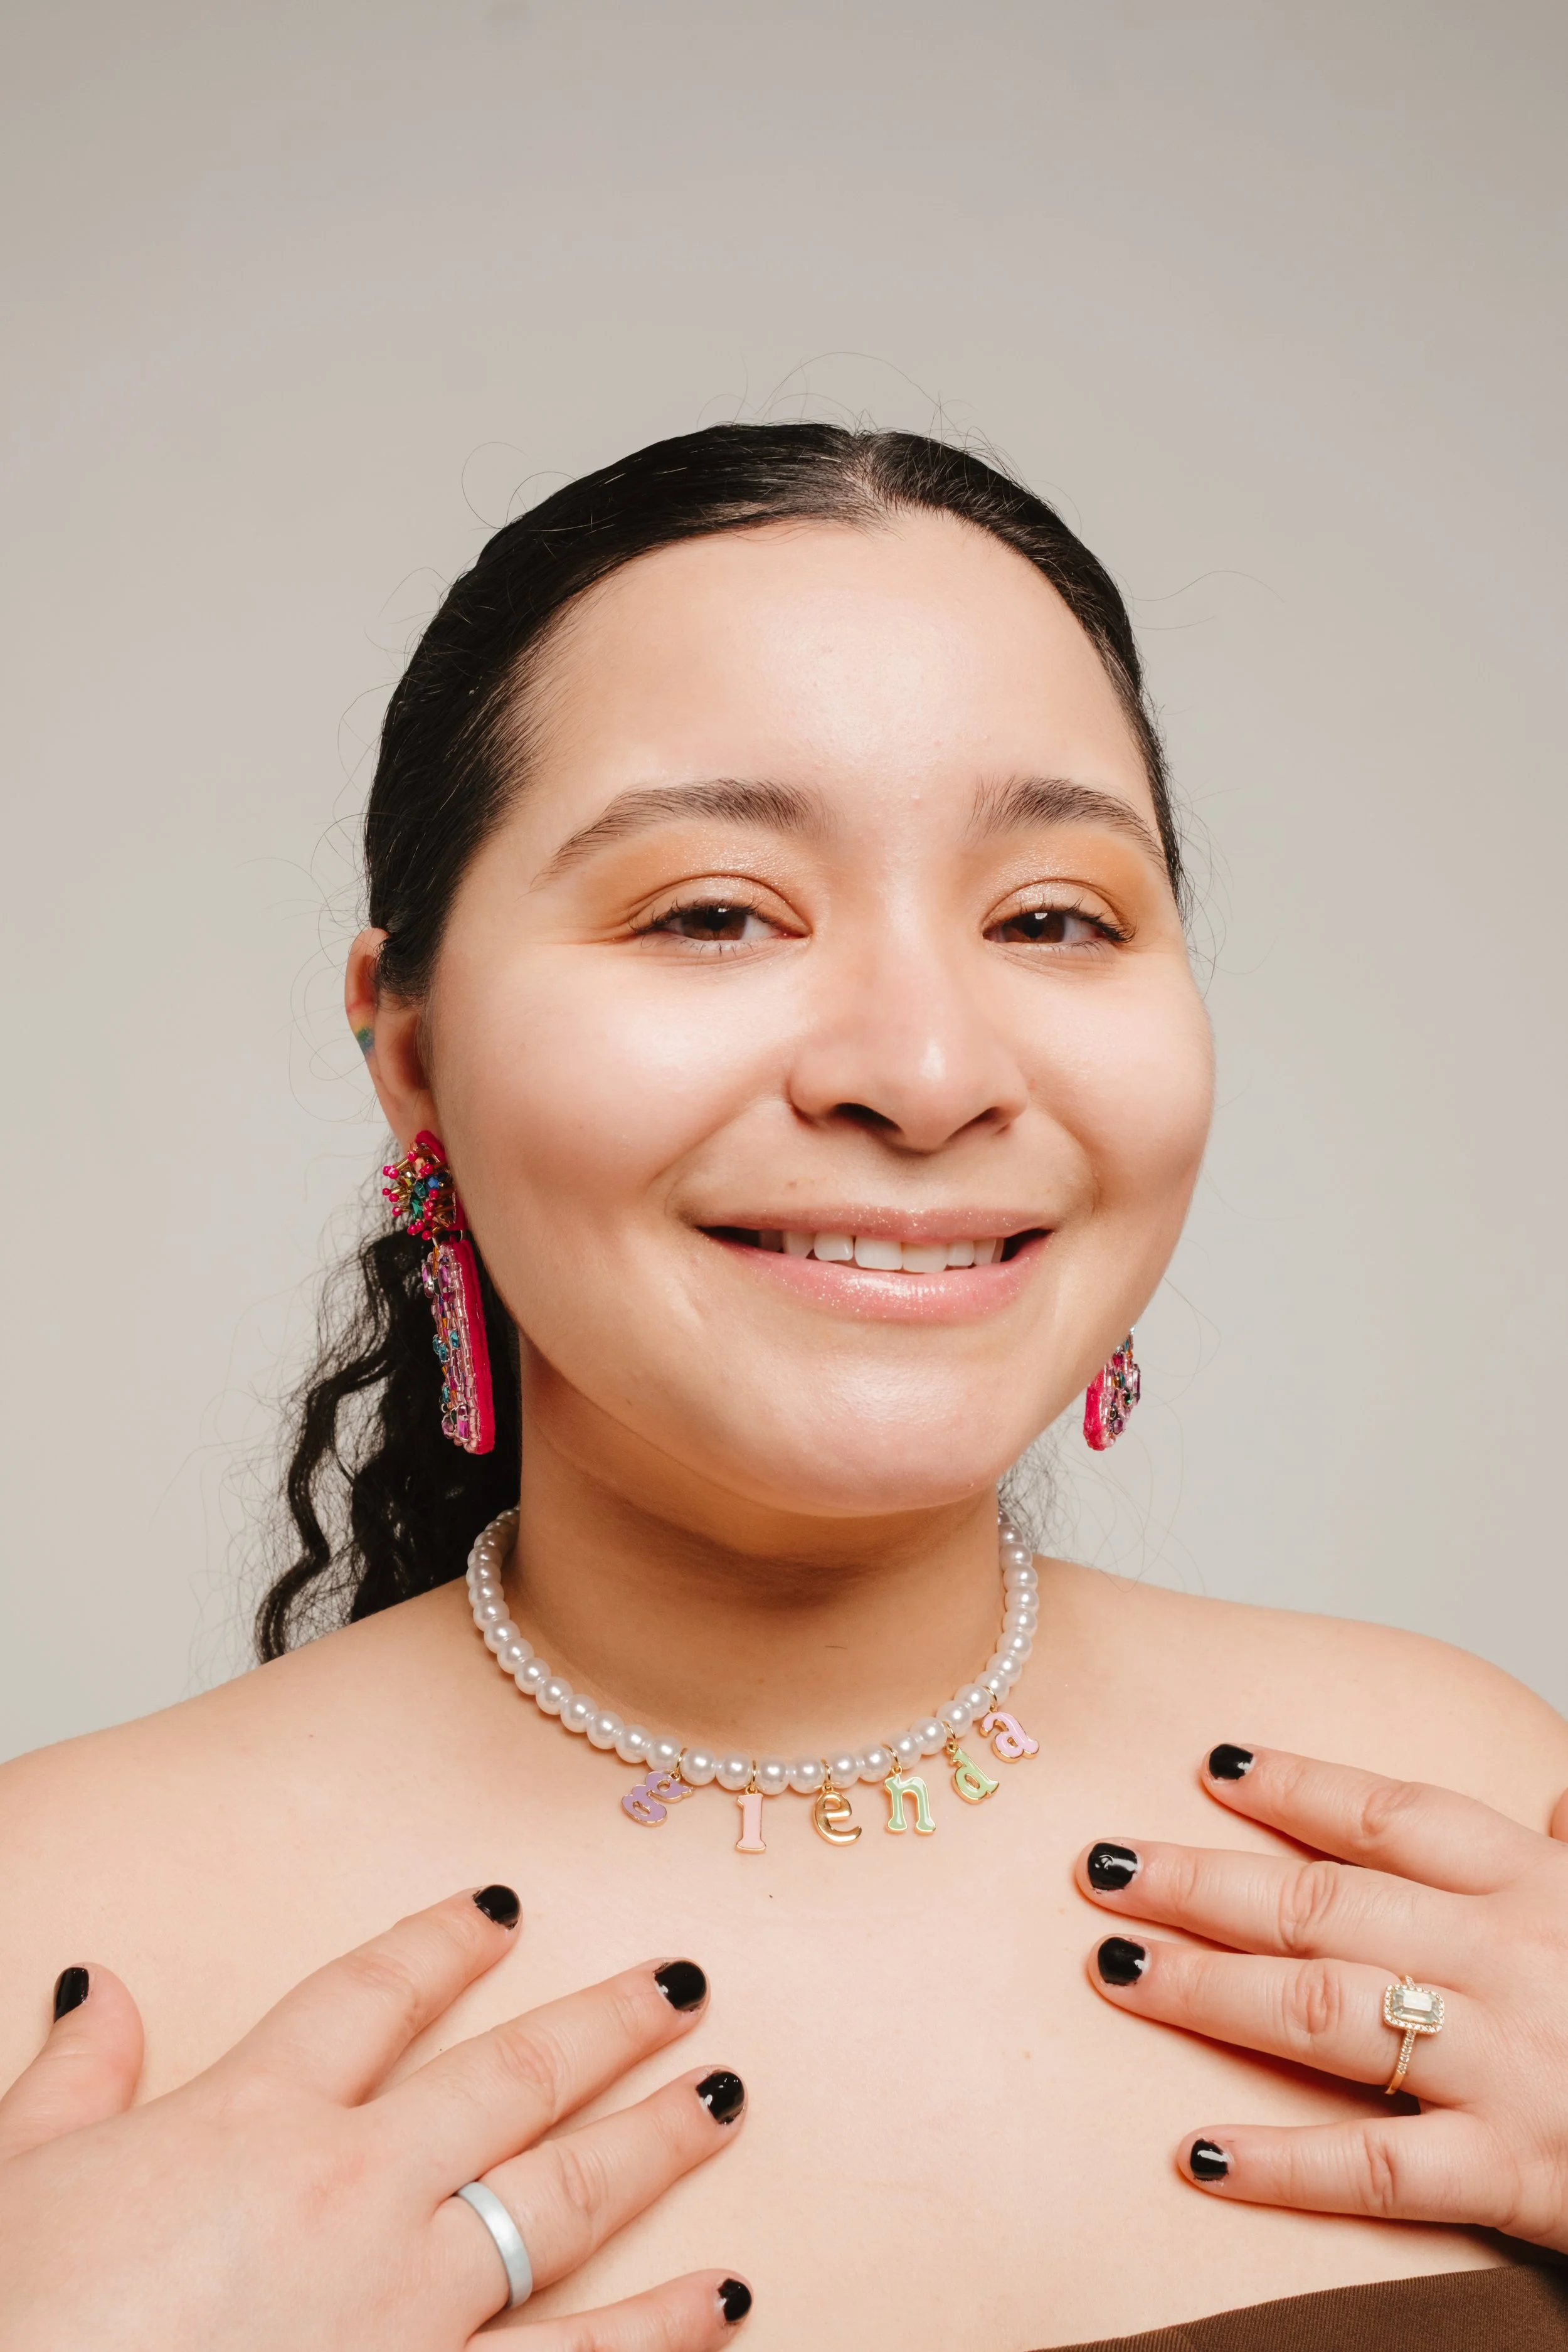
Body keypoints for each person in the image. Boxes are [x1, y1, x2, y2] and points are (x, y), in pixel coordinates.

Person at [3, 424, 1567, 2349]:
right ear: (405, 1048)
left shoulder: (1476, 1820)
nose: (922, 1067)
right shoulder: (45, 1958)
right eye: (714, 910)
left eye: (1052, 915)